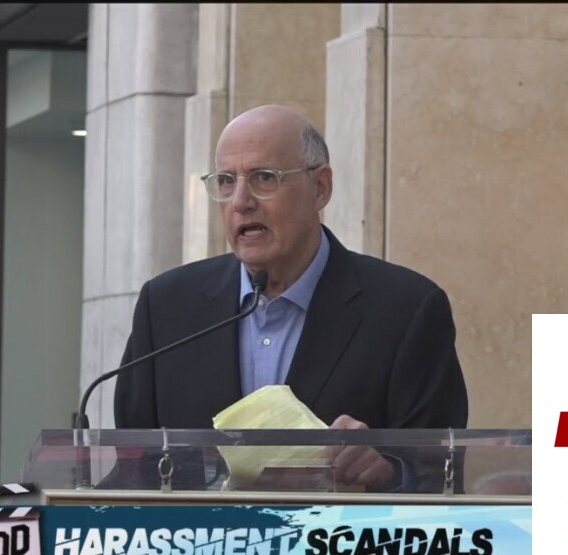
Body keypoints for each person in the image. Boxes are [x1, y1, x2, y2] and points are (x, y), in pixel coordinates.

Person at [112, 104, 468, 491]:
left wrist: (387, 472)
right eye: (226, 181)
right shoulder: (166, 307)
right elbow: (133, 470)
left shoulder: (406, 310)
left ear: (321, 188)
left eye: (264, 178)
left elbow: (439, 476)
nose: (240, 201)